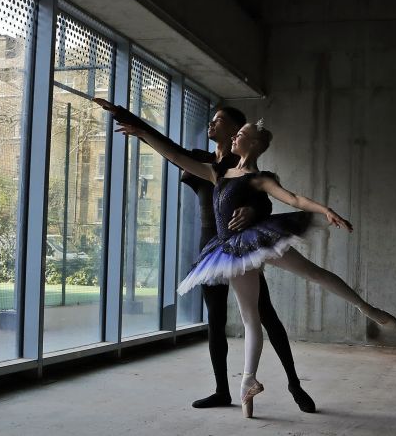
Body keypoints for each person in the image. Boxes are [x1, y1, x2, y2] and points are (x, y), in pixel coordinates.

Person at [100, 105, 396, 418]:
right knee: (249, 317)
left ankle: (366, 309)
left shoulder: (259, 178)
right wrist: (143, 132)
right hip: (229, 251)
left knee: (315, 274)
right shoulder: (217, 173)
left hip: (258, 240)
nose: (234, 138)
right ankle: (247, 383)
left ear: (252, 145)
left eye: (240, 134)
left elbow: (293, 199)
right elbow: (176, 157)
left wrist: (325, 210)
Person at [95, 99, 316, 412]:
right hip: (209, 249)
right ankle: (222, 390)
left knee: (265, 314)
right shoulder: (202, 161)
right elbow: (171, 149)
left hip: (239, 250)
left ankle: (294, 383)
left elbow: (265, 200)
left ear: (236, 130)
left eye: (219, 119)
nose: (211, 124)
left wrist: (253, 210)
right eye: (212, 119)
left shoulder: (240, 166)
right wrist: (126, 116)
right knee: (215, 320)